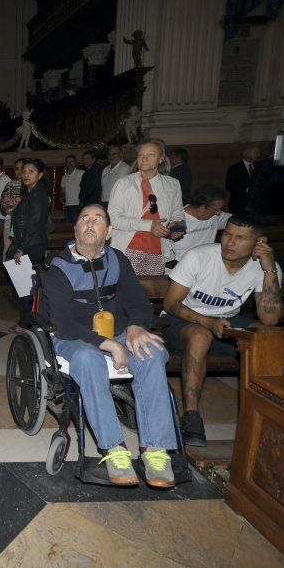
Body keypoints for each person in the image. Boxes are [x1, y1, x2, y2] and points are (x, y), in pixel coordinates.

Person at [44, 204, 177, 488]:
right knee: (88, 360)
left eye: (98, 219)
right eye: (84, 219)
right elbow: (64, 325)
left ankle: (155, 450)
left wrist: (136, 327)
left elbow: (138, 303)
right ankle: (113, 449)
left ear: (109, 232)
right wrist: (109, 345)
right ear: (76, 229)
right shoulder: (58, 269)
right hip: (73, 338)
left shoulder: (118, 260)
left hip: (119, 331)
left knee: (152, 352)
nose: (90, 223)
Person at [162, 213, 283, 446]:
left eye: (240, 238)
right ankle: (191, 417)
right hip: (183, 321)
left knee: (269, 339)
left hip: (227, 321)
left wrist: (269, 268)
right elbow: (171, 304)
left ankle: (265, 415)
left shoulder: (266, 267)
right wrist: (206, 322)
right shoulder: (200, 256)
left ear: (260, 243)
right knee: (200, 336)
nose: (230, 242)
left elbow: (270, 319)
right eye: (227, 234)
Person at [108, 139, 185, 275]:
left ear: (161, 158)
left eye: (151, 154)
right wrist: (149, 225)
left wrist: (175, 227)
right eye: (140, 155)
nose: (144, 158)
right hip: (128, 249)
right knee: (127, 293)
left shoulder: (172, 184)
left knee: (150, 294)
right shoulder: (124, 183)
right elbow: (113, 219)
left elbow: (178, 214)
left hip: (157, 250)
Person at [6, 159, 49, 332]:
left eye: (31, 172)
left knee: (26, 287)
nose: (26, 175)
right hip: (28, 243)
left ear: (40, 175)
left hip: (31, 245)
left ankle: (25, 323)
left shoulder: (38, 194)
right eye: (24, 171)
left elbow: (33, 224)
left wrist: (21, 248)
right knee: (24, 286)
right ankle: (27, 321)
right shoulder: (30, 193)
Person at [171, 184, 231, 264]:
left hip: (205, 267)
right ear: (202, 207)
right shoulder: (177, 219)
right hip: (178, 267)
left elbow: (243, 222)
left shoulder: (216, 217)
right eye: (216, 209)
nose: (219, 212)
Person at [0, 163, 24, 259]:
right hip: (11, 220)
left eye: (22, 168)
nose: (20, 171)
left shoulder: (32, 185)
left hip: (27, 222)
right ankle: (6, 272)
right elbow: (3, 205)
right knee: (8, 247)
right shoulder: (10, 185)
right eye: (17, 168)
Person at [225, 146, 260, 214]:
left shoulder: (259, 167)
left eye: (258, 153)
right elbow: (229, 186)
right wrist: (247, 189)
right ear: (247, 154)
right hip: (240, 205)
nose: (258, 155)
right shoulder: (234, 168)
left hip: (257, 206)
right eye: (255, 153)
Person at [61, 154, 84, 224]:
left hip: (77, 205)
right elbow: (63, 191)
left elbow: (85, 188)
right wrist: (62, 196)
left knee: (77, 226)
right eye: (68, 162)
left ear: (75, 162)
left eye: (71, 161)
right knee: (68, 228)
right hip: (67, 206)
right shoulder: (64, 177)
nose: (70, 163)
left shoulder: (81, 173)